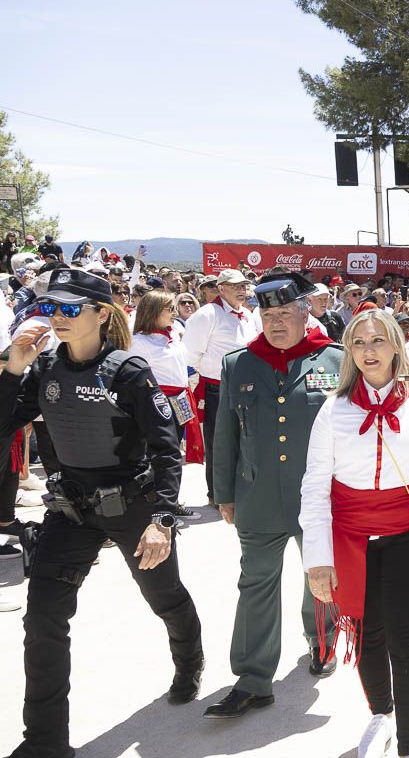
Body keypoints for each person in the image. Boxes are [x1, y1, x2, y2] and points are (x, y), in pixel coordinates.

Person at [0, 269, 203, 757]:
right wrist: (11, 369)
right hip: (70, 510)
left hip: (132, 506)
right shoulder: (44, 368)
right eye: (53, 308)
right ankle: (46, 743)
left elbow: (166, 449)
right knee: (44, 619)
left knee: (165, 596)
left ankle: (189, 661)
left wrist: (162, 521)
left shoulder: (127, 371)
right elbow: (6, 423)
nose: (59, 318)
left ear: (101, 314)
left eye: (71, 309)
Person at [299, 309, 409, 758]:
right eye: (358, 343)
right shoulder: (332, 410)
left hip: (408, 535)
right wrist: (318, 558)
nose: (368, 351)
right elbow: (315, 488)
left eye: (377, 341)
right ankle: (381, 714)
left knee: (405, 640)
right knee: (366, 633)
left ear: (396, 345)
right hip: (351, 541)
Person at [204, 273, 342, 720]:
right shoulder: (238, 364)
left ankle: (321, 641)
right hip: (256, 495)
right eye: (268, 315)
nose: (276, 322)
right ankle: (252, 679)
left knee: (318, 576)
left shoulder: (335, 361)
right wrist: (223, 492)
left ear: (306, 313)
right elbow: (224, 434)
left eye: (285, 313)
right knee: (255, 583)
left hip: (317, 497)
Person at [181, 268, 260, 503]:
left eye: (244, 286)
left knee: (243, 440)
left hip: (245, 388)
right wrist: (213, 372)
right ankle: (217, 494)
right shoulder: (208, 314)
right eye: (236, 286)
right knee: (219, 444)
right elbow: (190, 354)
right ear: (221, 288)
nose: (242, 290)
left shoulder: (246, 314)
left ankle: (237, 489)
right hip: (218, 387)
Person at [130, 290, 205, 486]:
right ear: (153, 311)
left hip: (180, 398)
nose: (174, 312)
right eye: (169, 309)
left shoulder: (172, 333)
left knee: (174, 451)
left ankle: (171, 499)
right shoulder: (139, 342)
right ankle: (158, 500)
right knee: (162, 453)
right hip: (159, 402)